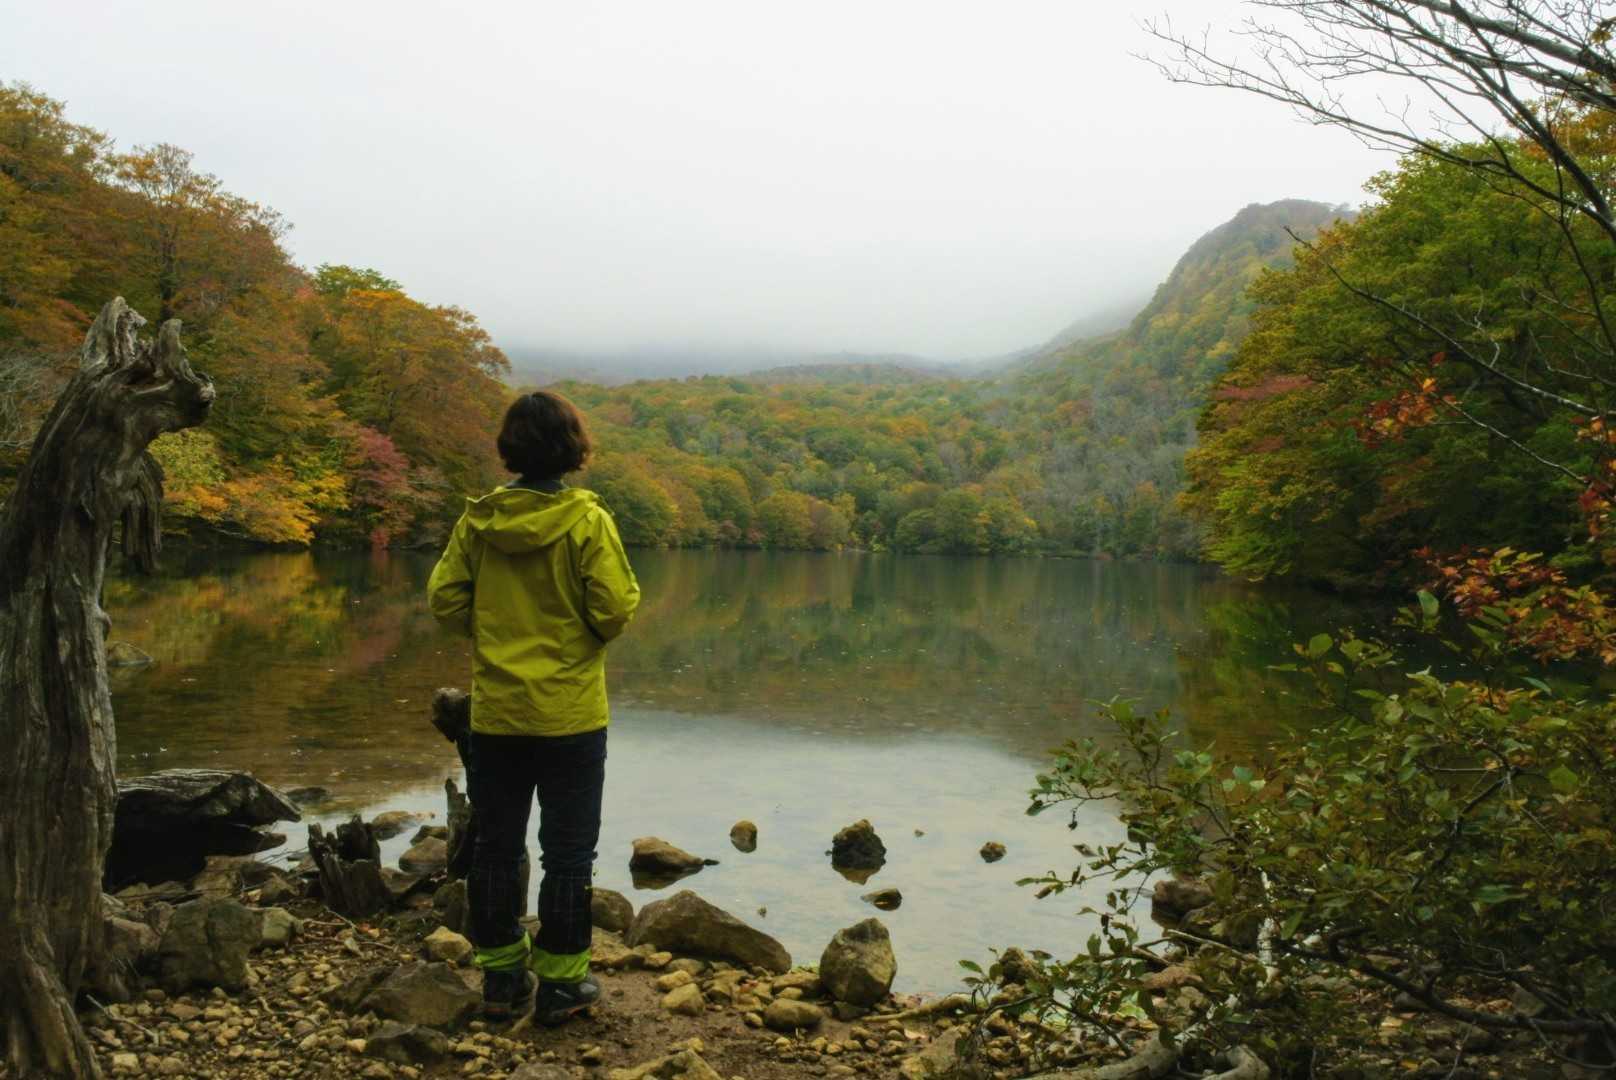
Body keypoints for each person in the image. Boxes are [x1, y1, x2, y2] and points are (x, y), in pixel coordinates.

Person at [426, 390, 641, 1025]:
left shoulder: (479, 522)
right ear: (573, 449)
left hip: (498, 714)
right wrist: (581, 638)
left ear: (511, 449)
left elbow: (444, 600)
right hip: (571, 715)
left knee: (495, 847)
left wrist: (493, 636)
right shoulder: (588, 520)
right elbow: (614, 607)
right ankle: (563, 985)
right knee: (568, 854)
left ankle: (500, 979)